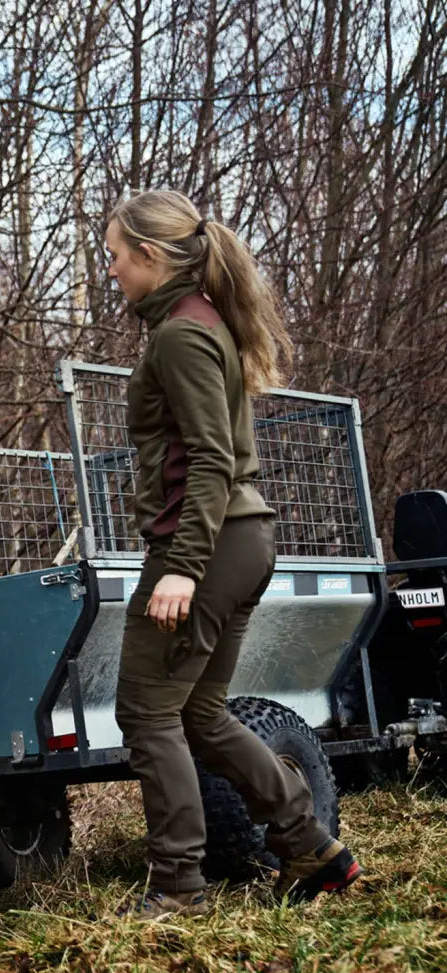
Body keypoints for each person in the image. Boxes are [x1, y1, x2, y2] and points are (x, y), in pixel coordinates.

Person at [102, 190, 362, 920]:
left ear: (151, 256)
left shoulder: (181, 335)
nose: (113, 270)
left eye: (117, 255)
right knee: (203, 715)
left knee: (149, 714)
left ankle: (178, 887)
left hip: (207, 545)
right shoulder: (197, 323)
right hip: (241, 540)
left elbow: (211, 459)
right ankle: (314, 848)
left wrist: (182, 565)